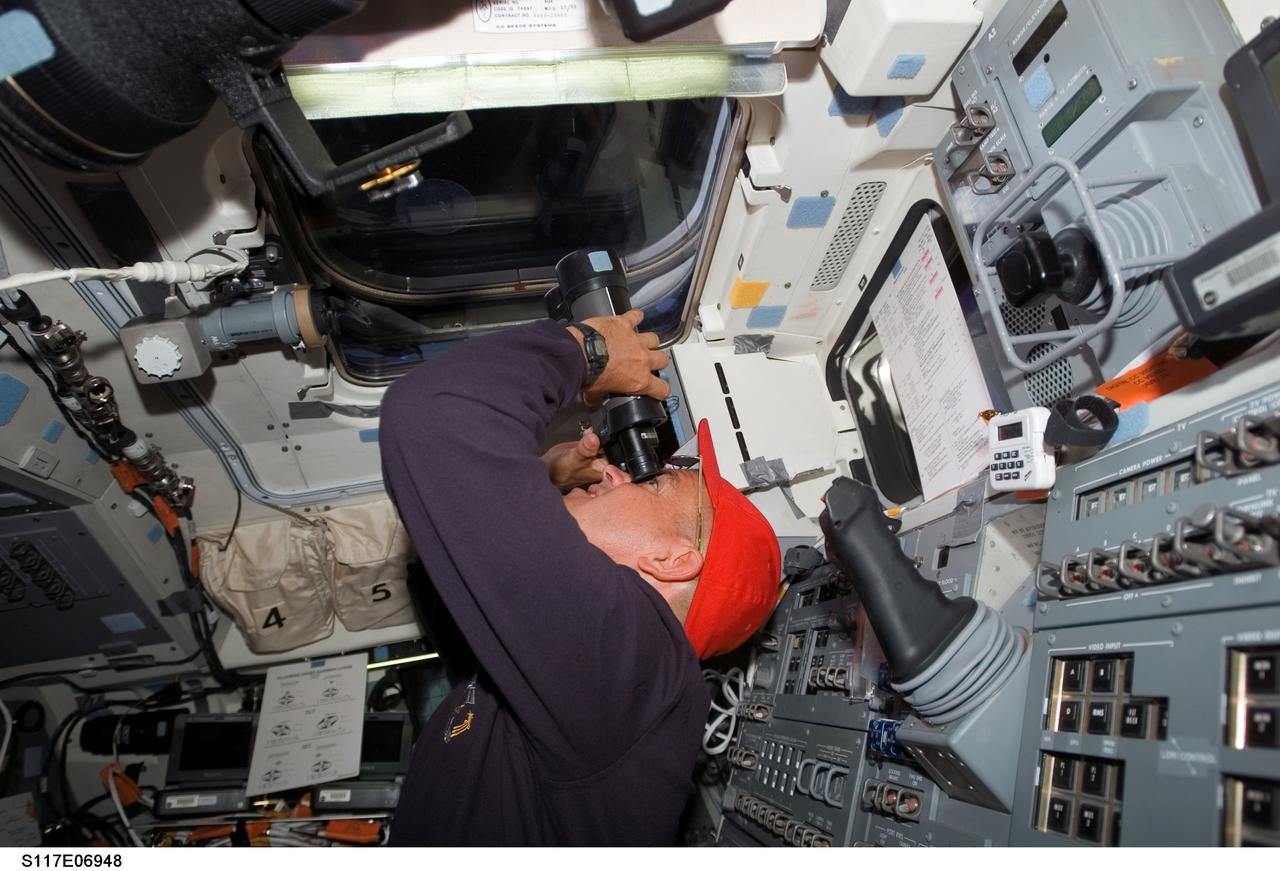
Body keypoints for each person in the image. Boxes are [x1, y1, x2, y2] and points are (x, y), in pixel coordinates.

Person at [379, 309, 781, 846]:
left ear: (674, 560)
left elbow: (433, 414)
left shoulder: (639, 663)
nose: (615, 472)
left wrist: (587, 352)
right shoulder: (606, 675)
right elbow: (460, 560)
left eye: (655, 485)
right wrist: (541, 483)